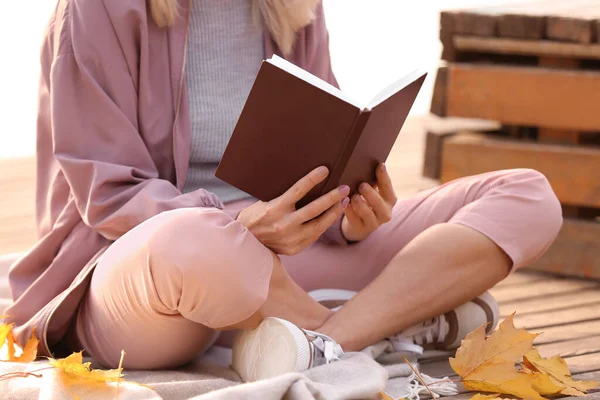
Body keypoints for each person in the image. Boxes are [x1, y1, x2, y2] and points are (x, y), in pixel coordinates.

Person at [5, 0, 562, 383]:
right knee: (200, 242)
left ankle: (325, 341)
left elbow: (323, 150)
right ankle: (394, 318)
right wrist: (238, 226)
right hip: (156, 275)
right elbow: (108, 196)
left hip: (286, 258)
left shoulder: (292, 7)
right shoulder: (96, 8)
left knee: (526, 195)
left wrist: (347, 213)